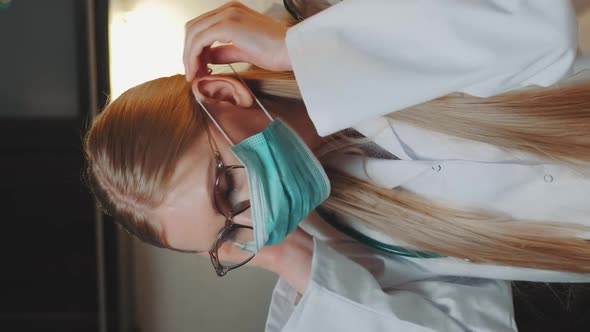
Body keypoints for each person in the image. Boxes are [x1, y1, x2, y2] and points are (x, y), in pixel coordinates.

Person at [85, 1, 590, 330]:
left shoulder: (331, 18)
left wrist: (300, 52)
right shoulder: (341, 245)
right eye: (227, 235)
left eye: (223, 188)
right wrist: (292, 261)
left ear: (222, 92)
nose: (253, 218)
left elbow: (546, 24)